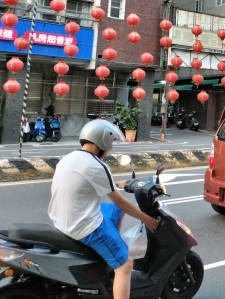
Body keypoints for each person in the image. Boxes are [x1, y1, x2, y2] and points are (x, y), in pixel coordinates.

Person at [48, 120, 158, 299]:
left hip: (62, 220)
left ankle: (109, 256)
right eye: (112, 141)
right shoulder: (96, 165)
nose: (112, 146)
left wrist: (120, 184)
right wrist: (147, 219)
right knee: (126, 265)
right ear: (103, 141)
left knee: (114, 209)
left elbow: (88, 184)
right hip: (84, 227)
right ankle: (117, 260)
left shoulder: (69, 158)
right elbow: (122, 202)